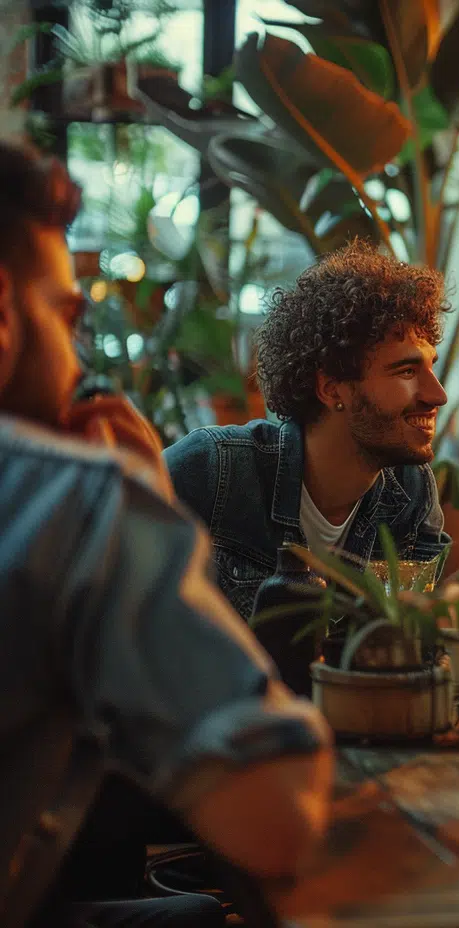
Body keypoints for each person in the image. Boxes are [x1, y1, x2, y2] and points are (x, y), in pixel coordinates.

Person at [0, 142, 333, 927]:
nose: (78, 358)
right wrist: (143, 511)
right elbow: (278, 819)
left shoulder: (408, 493)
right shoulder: (75, 499)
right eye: (66, 315)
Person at [165, 240, 459, 625]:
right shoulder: (215, 470)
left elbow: (402, 656)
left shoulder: (411, 489)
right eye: (407, 372)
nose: (437, 395)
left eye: (430, 368)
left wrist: (441, 619)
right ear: (331, 389)